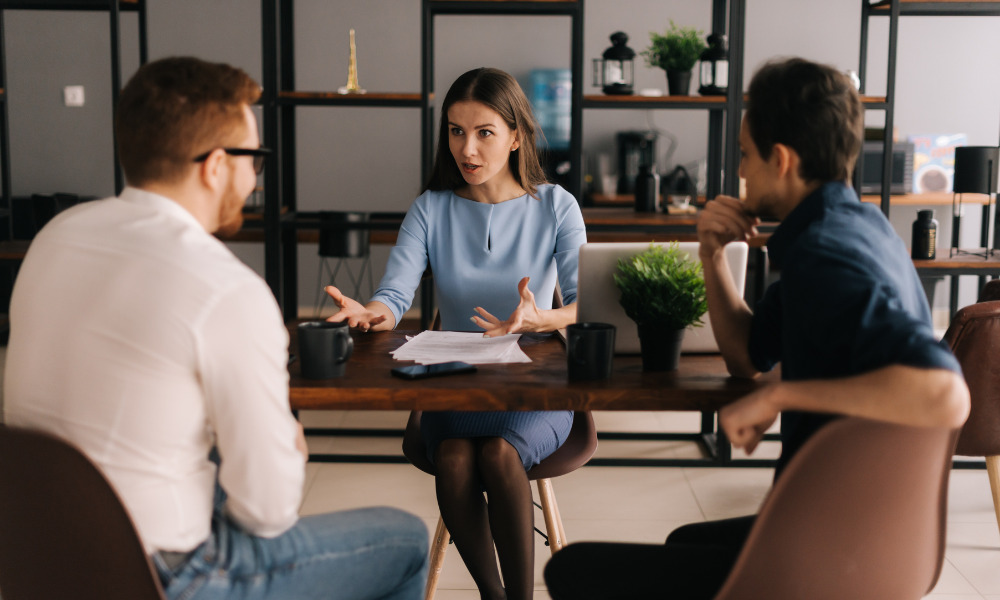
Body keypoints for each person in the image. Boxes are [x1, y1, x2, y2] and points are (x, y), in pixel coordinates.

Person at [543, 57, 970, 599]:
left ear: (783, 160)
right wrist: (712, 254)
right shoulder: (856, 228)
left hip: (822, 560)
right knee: (684, 544)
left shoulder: (827, 255)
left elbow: (944, 389)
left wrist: (780, 396)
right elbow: (746, 355)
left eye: (745, 155)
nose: (740, 172)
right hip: (879, 549)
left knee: (572, 571)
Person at [3, 56, 428, 600]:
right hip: (162, 575)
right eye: (255, 160)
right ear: (217, 166)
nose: (254, 178)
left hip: (37, 557)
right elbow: (269, 514)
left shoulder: (58, 237)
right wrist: (288, 446)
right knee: (406, 541)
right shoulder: (226, 289)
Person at [325, 67, 587, 600]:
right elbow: (394, 295)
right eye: (455, 131)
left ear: (516, 136)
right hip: (454, 382)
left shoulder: (557, 206)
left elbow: (590, 305)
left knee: (496, 453)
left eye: (484, 132)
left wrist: (544, 319)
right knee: (453, 455)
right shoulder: (431, 209)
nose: (466, 148)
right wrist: (372, 313)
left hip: (534, 388)